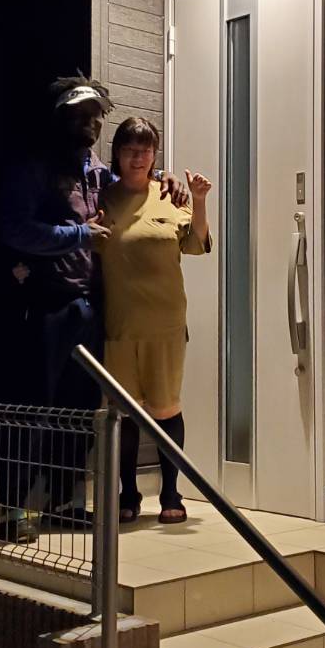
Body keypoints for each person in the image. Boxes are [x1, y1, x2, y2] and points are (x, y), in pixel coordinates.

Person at [0, 77, 187, 520]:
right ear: (61, 117)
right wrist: (77, 235)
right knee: (37, 408)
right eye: (80, 114)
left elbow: (136, 181)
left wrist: (164, 178)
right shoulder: (37, 170)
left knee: (82, 409)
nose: (90, 122)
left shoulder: (100, 174)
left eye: (96, 115)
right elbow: (15, 230)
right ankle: (12, 509)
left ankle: (64, 503)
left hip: (93, 308)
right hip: (48, 304)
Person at [94, 115, 212, 524]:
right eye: (130, 150)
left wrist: (199, 199)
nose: (139, 158)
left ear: (155, 155)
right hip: (119, 325)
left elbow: (196, 244)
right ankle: (128, 493)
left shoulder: (169, 195)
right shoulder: (103, 197)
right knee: (125, 412)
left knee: (166, 410)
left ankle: (171, 493)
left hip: (165, 325)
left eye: (146, 151)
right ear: (117, 154)